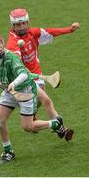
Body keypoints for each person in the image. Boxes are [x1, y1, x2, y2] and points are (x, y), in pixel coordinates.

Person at [0, 32, 65, 163]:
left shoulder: (11, 57)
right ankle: (8, 151)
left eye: (0, 43)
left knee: (27, 127)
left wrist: (13, 83)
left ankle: (55, 124)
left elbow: (23, 75)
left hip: (25, 91)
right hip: (9, 92)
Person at [6, 8, 79, 138]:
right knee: (46, 100)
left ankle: (33, 117)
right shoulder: (13, 41)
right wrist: (17, 53)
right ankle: (61, 129)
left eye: (24, 23)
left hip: (37, 75)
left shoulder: (33, 32)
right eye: (18, 24)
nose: (22, 26)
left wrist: (69, 29)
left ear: (28, 22)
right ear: (13, 25)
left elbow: (50, 31)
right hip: (24, 79)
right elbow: (13, 56)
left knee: (39, 102)